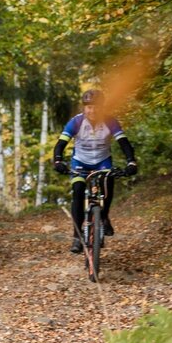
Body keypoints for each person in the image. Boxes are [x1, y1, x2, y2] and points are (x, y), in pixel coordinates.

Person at [53, 89, 137, 253]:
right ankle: (77, 237)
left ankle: (104, 217)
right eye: (89, 107)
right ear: (84, 108)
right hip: (80, 162)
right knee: (78, 191)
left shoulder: (110, 121)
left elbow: (124, 143)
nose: (93, 110)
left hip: (102, 161)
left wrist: (131, 162)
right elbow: (61, 144)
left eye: (96, 107)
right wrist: (58, 160)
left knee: (108, 184)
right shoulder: (76, 122)